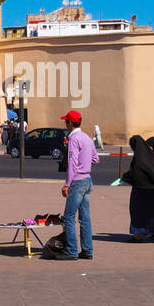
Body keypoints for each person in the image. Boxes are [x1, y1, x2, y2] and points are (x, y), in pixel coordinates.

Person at [57, 110, 98, 260]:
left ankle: (72, 250)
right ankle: (87, 250)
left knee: (68, 217)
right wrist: (85, 162)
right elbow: (95, 158)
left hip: (78, 181)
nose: (65, 124)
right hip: (87, 180)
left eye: (65, 121)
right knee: (85, 218)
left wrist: (67, 184)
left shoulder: (73, 138)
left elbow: (72, 164)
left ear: (69, 123)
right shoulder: (87, 137)